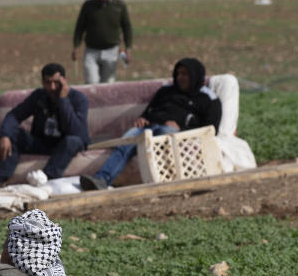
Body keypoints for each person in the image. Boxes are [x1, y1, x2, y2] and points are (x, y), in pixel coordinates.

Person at [80, 57, 221, 190]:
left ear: (195, 75)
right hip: (148, 128)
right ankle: (101, 180)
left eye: (184, 74)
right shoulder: (166, 91)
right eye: (178, 74)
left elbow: (211, 129)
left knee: (164, 138)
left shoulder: (208, 99)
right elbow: (150, 111)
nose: (180, 78)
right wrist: (142, 118)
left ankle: (164, 184)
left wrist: (182, 129)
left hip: (173, 133)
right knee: (125, 143)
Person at [0, 63, 89, 186]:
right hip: (42, 144)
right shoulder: (39, 96)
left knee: (73, 141)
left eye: (56, 82)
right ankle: (0, 180)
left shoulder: (78, 98)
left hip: (65, 145)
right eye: (48, 83)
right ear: (43, 82)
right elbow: (15, 115)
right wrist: (5, 135)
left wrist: (63, 100)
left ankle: (44, 179)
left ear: (64, 81)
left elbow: (77, 132)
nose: (53, 87)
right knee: (14, 133)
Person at [72, 0, 133, 85]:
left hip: (111, 50)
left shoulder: (119, 5)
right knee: (92, 81)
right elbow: (80, 27)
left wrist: (128, 48)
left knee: (108, 83)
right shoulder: (88, 5)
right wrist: (76, 46)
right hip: (91, 50)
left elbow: (127, 27)